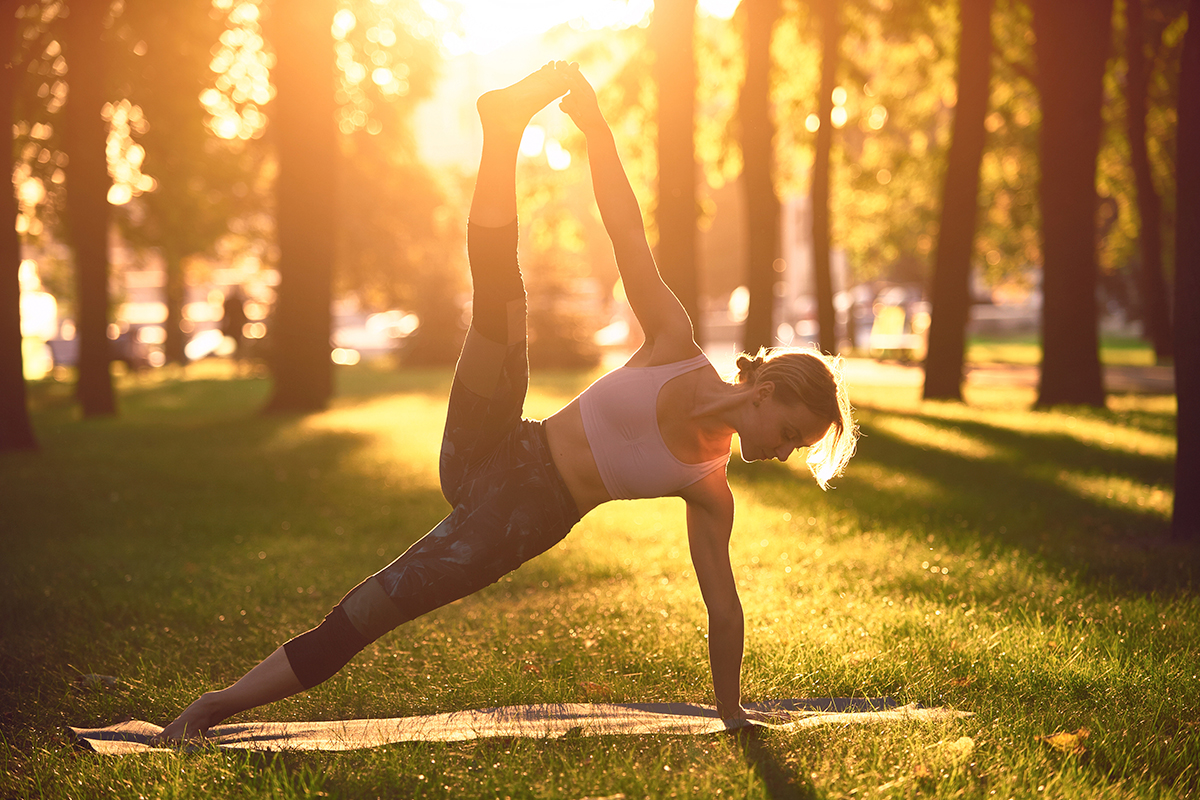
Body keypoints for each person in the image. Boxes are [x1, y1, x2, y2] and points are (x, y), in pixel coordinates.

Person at [159, 62, 857, 741]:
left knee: (372, 610)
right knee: (502, 307)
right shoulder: (674, 342)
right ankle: (502, 127)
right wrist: (597, 128)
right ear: (763, 394)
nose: (785, 451)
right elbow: (625, 230)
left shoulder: (709, 490)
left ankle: (213, 705)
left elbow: (723, 607)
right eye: (792, 432)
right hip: (495, 442)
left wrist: (731, 710)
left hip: (521, 516)